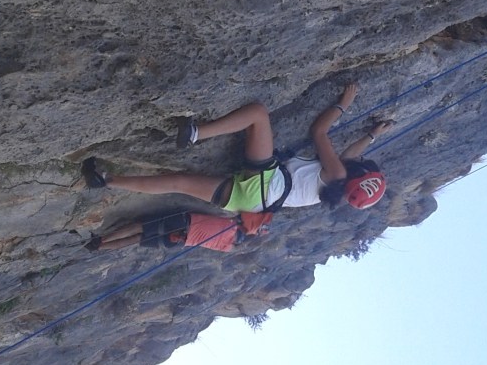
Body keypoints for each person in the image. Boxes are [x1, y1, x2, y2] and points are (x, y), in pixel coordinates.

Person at [81, 83, 393, 211]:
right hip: (252, 203)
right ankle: (105, 180)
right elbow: (349, 156)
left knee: (257, 114)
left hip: (265, 182)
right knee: (177, 182)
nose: (363, 159)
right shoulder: (335, 187)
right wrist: (372, 135)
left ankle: (196, 133)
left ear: (360, 174)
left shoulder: (337, 173)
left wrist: (342, 105)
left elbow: (319, 131)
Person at [84, 210, 273, 253]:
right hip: (177, 242)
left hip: (182, 223)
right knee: (137, 239)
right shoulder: (228, 247)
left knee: (138, 227)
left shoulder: (232, 223)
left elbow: (245, 217)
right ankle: (98, 247)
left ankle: (102, 239)